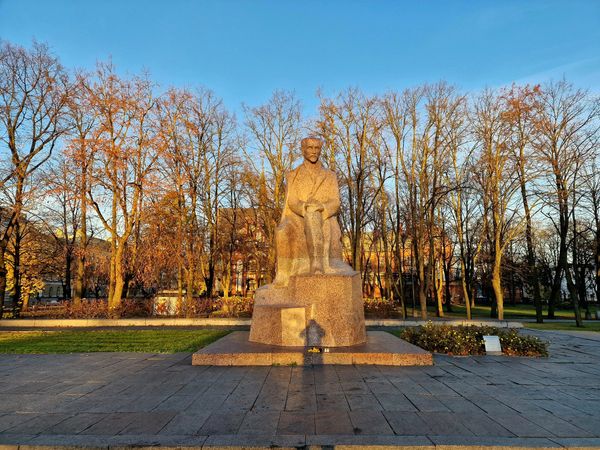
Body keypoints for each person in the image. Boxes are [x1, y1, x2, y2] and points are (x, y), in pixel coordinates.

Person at [273, 137, 354, 286]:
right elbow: (292, 201)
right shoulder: (293, 175)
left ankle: (317, 263)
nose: (313, 151)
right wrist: (305, 207)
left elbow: (335, 202)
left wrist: (322, 207)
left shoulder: (330, 175)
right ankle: (287, 272)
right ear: (303, 150)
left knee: (314, 214)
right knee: (296, 223)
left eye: (317, 148)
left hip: (325, 218)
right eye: (310, 148)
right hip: (298, 218)